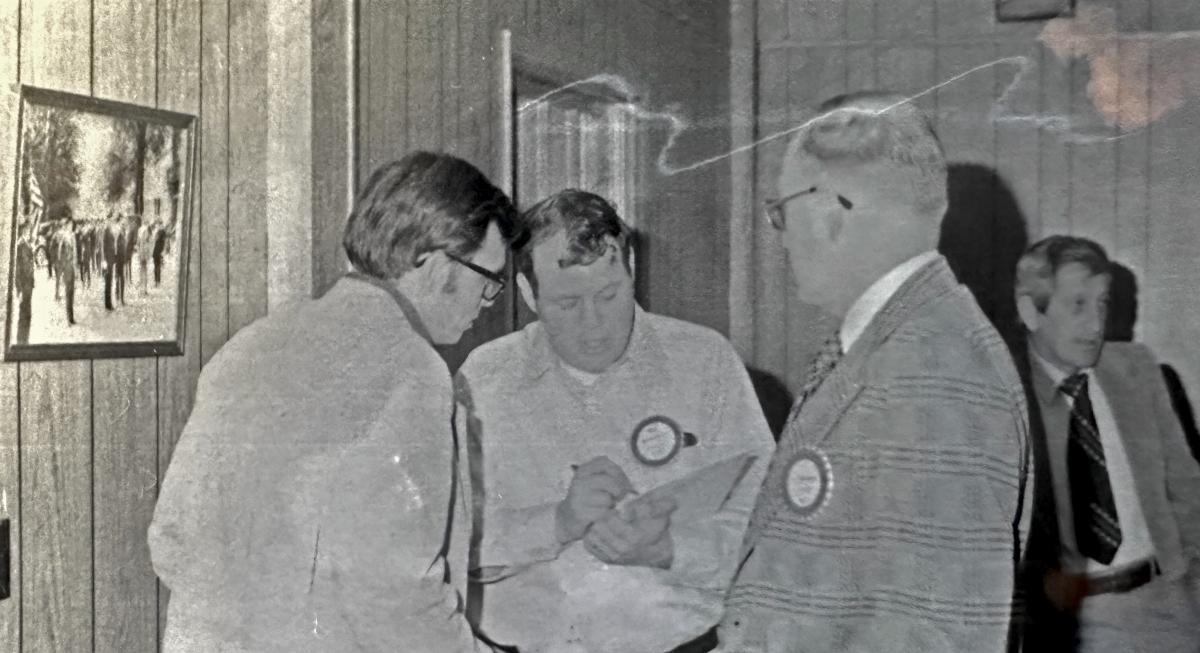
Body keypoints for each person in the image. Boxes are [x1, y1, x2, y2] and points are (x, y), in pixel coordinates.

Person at [148, 152, 518, 652]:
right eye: (488, 281)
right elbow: (399, 603)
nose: (487, 303)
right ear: (434, 265)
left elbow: (171, 540)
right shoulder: (412, 369)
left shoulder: (252, 342)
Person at [719, 92, 1032, 653]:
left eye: (780, 213)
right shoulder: (897, 341)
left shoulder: (937, 370)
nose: (782, 237)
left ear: (829, 213)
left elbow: (934, 637)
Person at [458, 189, 774, 653]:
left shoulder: (705, 362)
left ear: (631, 270)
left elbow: (771, 536)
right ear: (528, 292)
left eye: (609, 295)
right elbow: (445, 542)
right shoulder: (485, 378)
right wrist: (557, 523)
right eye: (568, 304)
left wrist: (669, 550)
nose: (594, 323)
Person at [1012, 235, 1200, 652]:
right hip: (1074, 620)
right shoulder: (1007, 395)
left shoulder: (1137, 369)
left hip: (1169, 600)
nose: (1096, 324)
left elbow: (1187, 488)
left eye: (1101, 303)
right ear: (1031, 311)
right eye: (1078, 305)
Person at [14, 221, 35, 344]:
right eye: (27, 230)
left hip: (28, 283)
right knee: (24, 313)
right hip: (24, 284)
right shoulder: (21, 245)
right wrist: (19, 288)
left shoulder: (26, 244)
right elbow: (17, 269)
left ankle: (25, 340)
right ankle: (21, 341)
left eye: (29, 229)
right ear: (23, 231)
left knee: (27, 313)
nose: (29, 232)